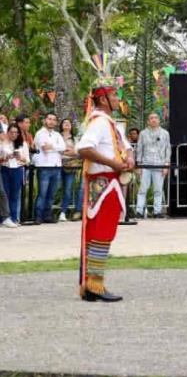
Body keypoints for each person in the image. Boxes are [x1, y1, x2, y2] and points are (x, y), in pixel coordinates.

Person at [76, 79, 135, 302]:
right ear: (103, 99)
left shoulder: (111, 124)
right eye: (114, 96)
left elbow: (125, 146)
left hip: (110, 182)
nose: (118, 100)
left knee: (101, 231)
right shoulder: (100, 122)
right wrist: (113, 164)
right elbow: (84, 148)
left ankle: (92, 284)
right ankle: (95, 285)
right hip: (104, 183)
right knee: (101, 232)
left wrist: (128, 157)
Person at [135, 112, 170, 219]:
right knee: (142, 189)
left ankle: (157, 211)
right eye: (151, 118)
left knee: (158, 189)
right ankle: (139, 211)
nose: (154, 120)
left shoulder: (165, 133)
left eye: (155, 118)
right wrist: (139, 164)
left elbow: (167, 149)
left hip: (159, 164)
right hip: (145, 164)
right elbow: (139, 148)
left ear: (159, 120)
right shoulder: (143, 133)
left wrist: (166, 164)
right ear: (148, 121)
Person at [33, 112, 65, 223]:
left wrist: (52, 146)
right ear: (45, 120)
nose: (51, 121)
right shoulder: (40, 133)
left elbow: (63, 147)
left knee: (51, 194)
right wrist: (56, 147)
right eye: (49, 119)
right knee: (42, 193)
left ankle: (47, 216)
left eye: (54, 119)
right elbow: (45, 148)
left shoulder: (57, 135)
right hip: (44, 167)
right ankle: (38, 216)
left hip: (56, 166)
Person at [1, 123, 29, 225]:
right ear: (7, 132)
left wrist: (19, 158)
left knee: (15, 195)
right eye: (11, 132)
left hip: (17, 169)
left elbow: (27, 160)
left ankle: (14, 218)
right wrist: (6, 157)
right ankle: (5, 218)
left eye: (16, 132)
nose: (14, 134)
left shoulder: (23, 144)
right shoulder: (3, 143)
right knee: (5, 194)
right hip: (5, 169)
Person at [59, 118, 82, 221]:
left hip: (71, 166)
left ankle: (63, 212)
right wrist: (67, 151)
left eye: (69, 123)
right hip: (57, 165)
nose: (67, 124)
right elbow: (56, 149)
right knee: (54, 189)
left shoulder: (75, 139)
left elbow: (78, 152)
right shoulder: (57, 136)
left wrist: (64, 152)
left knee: (68, 190)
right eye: (64, 122)